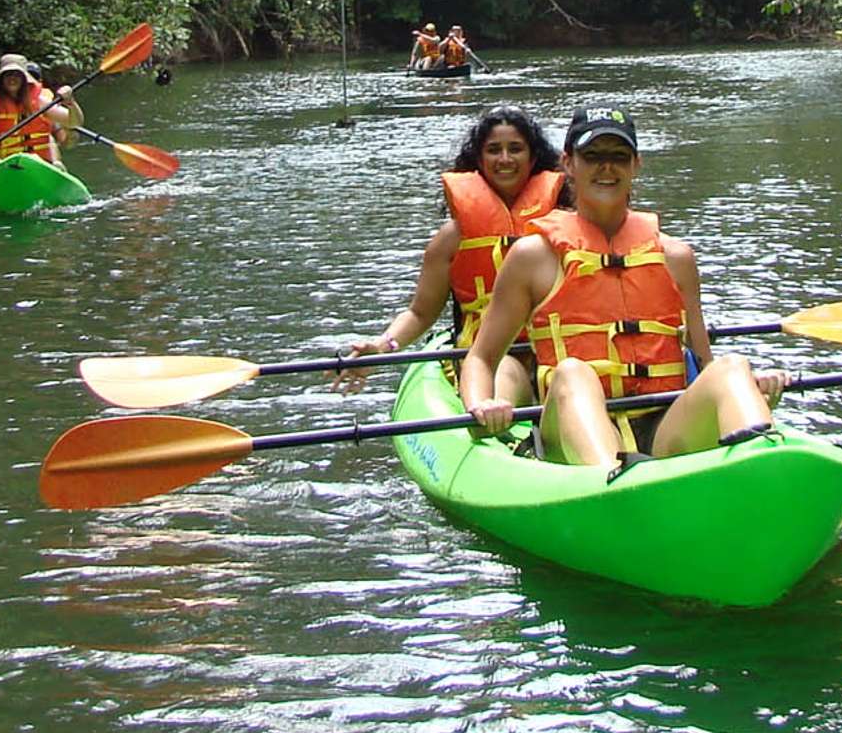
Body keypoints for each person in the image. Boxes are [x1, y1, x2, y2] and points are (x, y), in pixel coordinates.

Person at [460, 104, 789, 468]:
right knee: (572, 373)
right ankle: (613, 483)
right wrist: (481, 404)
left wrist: (753, 387)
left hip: (662, 426)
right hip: (568, 428)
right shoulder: (532, 257)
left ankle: (765, 464)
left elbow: (704, 363)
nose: (606, 167)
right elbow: (481, 358)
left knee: (731, 366)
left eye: (618, 156)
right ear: (568, 163)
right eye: (592, 156)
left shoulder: (676, 257)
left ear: (636, 165)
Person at [338, 106, 569, 399]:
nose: (505, 159)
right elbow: (420, 313)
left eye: (516, 149)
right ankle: (499, 426)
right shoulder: (452, 239)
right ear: (479, 160)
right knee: (506, 371)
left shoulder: (564, 228)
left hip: (554, 349)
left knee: (568, 372)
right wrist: (382, 347)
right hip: (489, 358)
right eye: (494, 150)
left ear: (533, 158)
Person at [0, 54, 81, 166]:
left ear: (24, 79)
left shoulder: (40, 102)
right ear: (1, 79)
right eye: (8, 74)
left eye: (17, 75)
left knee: (52, 155)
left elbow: (74, 122)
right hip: (5, 164)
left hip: (39, 164)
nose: (12, 78)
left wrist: (71, 103)